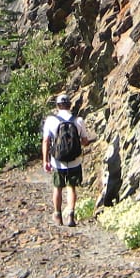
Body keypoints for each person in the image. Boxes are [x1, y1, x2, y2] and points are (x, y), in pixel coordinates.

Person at [42, 92, 91, 226]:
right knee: (71, 187)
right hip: (75, 160)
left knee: (57, 187)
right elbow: (85, 140)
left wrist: (45, 160)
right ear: (70, 105)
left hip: (58, 161)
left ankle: (57, 214)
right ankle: (70, 214)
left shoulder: (51, 121)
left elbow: (46, 141)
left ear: (58, 106)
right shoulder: (78, 120)